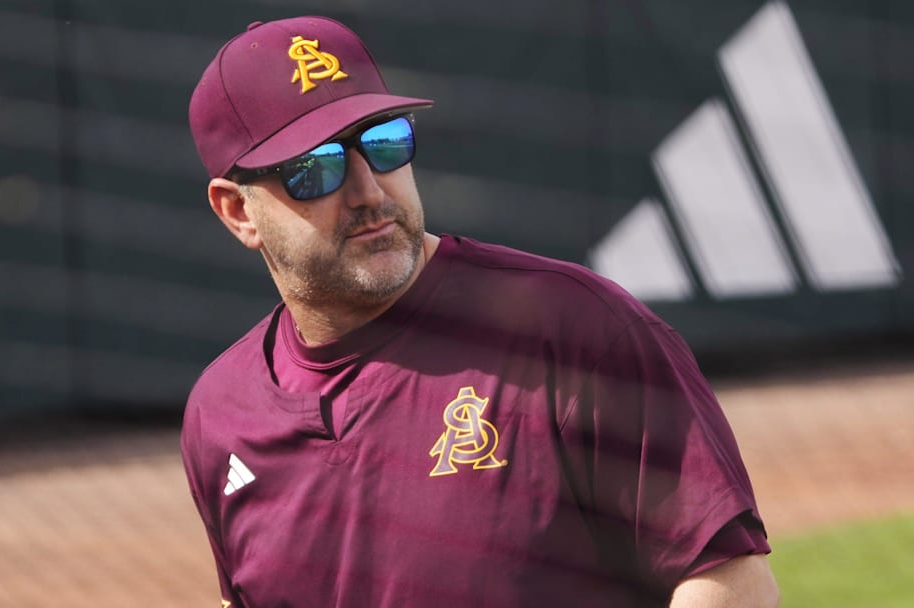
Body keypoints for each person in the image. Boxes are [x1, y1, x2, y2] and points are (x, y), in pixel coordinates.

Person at [182, 15, 779, 608]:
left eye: (384, 142)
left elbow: (733, 584)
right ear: (238, 210)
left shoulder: (577, 333)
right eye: (316, 168)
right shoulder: (221, 416)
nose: (369, 192)